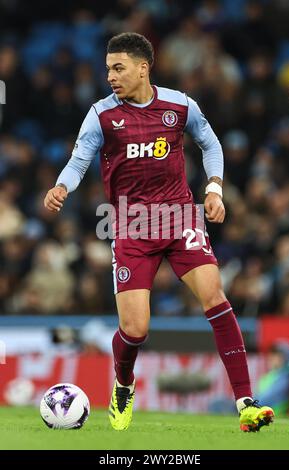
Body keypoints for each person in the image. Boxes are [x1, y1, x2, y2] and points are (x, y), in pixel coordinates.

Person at [44, 32, 274, 432]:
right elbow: (79, 160)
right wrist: (63, 186)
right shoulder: (102, 114)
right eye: (107, 70)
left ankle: (245, 401)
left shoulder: (180, 105)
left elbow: (210, 143)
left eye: (118, 68)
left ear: (143, 68)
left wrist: (214, 188)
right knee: (136, 330)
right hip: (131, 226)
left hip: (179, 217)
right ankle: (123, 383)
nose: (111, 77)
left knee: (214, 296)